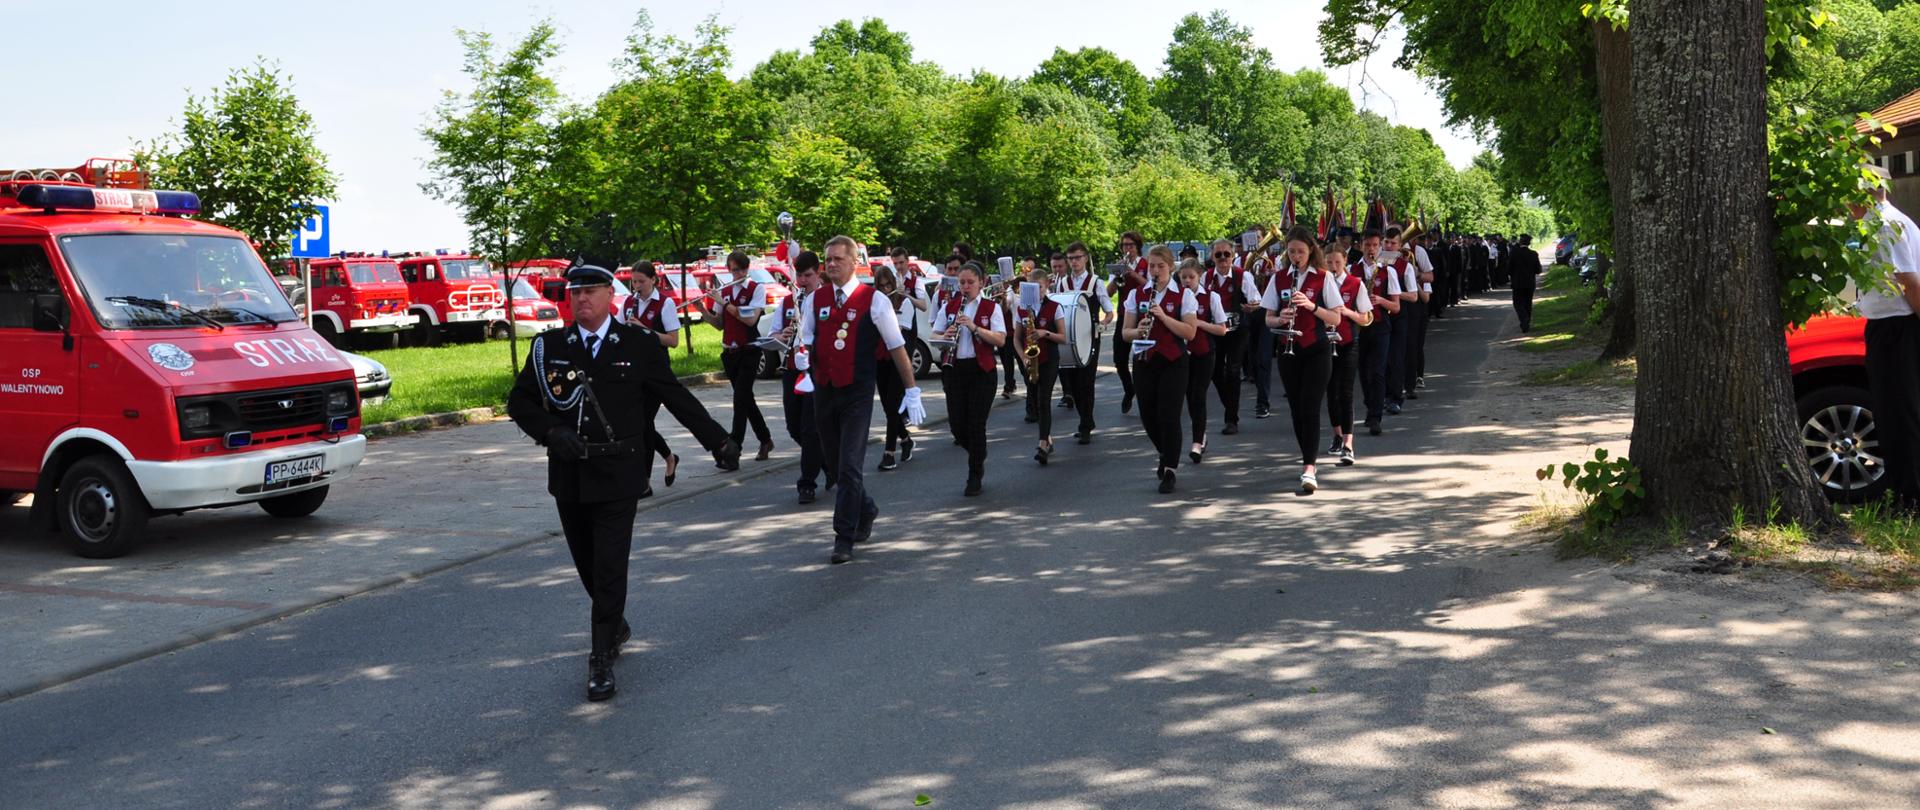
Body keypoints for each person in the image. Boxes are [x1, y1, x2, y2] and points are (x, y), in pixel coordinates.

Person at [507, 265, 669, 702]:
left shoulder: (635, 344)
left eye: (591, 292)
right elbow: (519, 400)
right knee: (588, 566)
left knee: (610, 566)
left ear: (609, 297)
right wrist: (550, 431)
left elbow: (673, 394)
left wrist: (718, 441)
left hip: (619, 475)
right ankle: (615, 623)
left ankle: (600, 658)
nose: (581, 300)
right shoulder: (550, 346)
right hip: (570, 476)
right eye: (574, 292)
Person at [797, 235, 928, 564]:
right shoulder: (816, 299)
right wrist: (802, 358)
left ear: (854, 263)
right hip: (824, 391)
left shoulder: (874, 300)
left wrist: (911, 390)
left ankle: (844, 536)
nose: (831, 264)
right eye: (828, 259)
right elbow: (808, 337)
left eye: (838, 259)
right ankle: (867, 509)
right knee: (837, 466)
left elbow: (897, 347)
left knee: (851, 465)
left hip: (857, 391)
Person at [615, 262, 743, 475]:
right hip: (636, 370)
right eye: (633, 282)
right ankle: (647, 476)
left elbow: (672, 341)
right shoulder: (629, 303)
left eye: (641, 282)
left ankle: (723, 445)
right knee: (640, 422)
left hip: (657, 367)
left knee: (684, 408)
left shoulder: (664, 304)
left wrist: (644, 331)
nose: (637, 286)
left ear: (653, 280)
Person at [1265, 231, 1344, 494]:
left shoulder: (1324, 277)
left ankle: (1309, 467)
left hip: (1317, 349)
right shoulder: (1279, 278)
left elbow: (1336, 319)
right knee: (1297, 409)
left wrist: (1311, 306)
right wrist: (1280, 318)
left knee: (1310, 406)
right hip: (1289, 349)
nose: (1296, 257)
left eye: (1300, 251)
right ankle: (1306, 457)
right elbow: (1268, 318)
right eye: (1291, 252)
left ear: (1310, 251)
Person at [1121, 245, 1199, 493]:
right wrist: (1139, 330)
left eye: (1160, 266)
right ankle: (1165, 452)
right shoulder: (1137, 294)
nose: (1155, 271)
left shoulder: (1184, 295)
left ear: (1170, 267)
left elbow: (1190, 332)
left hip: (1174, 361)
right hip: (1145, 360)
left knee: (1169, 414)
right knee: (1148, 415)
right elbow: (1125, 333)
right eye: (1151, 266)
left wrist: (1164, 318)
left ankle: (1170, 470)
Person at [932, 262, 1009, 495]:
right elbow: (934, 336)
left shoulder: (990, 307)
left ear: (981, 283)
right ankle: (978, 451)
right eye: (962, 283)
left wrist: (975, 327)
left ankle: (974, 474)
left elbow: (1000, 340)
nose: (965, 287)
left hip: (981, 371)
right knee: (957, 426)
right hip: (955, 370)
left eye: (970, 283)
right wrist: (944, 335)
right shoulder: (949, 307)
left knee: (976, 424)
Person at [697, 251, 774, 463]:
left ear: (747, 269)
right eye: (733, 270)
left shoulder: (756, 289)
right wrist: (702, 310)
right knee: (745, 399)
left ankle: (733, 449)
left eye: (740, 269)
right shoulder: (726, 290)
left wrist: (724, 302)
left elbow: (750, 320)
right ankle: (765, 439)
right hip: (729, 353)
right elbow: (719, 324)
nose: (736, 273)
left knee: (740, 400)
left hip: (749, 350)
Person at [768, 252, 828, 503]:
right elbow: (772, 336)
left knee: (809, 428)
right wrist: (781, 336)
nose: (803, 281)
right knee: (794, 428)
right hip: (792, 370)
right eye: (799, 276)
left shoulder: (826, 301)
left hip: (815, 371)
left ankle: (807, 483)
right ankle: (828, 464)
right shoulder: (787, 303)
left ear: (818, 273)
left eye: (808, 276)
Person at [1321, 247, 1371, 465]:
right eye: (1329, 263)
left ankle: (1349, 444)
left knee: (1346, 392)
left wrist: (1347, 312)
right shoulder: (1319, 282)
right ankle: (1338, 434)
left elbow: (1366, 317)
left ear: (1345, 262)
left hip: (1348, 342)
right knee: (1331, 393)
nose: (1333, 267)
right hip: (1324, 343)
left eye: (1337, 263)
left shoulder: (1355, 283)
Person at [1058, 242, 1109, 442]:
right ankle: (1085, 419)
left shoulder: (1095, 282)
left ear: (1085, 258)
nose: (1074, 262)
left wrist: (1103, 323)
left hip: (1090, 338)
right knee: (1072, 383)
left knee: (1086, 382)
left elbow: (1109, 310)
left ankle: (1085, 424)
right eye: (1070, 259)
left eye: (1078, 258)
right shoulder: (1062, 283)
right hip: (1069, 340)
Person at [1180, 259, 1230, 463]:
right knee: (1189, 397)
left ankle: (1197, 442)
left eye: (1191, 277)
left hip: (1204, 353)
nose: (1187, 281)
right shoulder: (1177, 297)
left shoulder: (1211, 297)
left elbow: (1222, 329)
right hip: (1182, 355)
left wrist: (1198, 323)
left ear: (1200, 276)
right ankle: (1201, 435)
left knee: (1199, 395)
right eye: (1183, 277)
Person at [1018, 263, 1068, 464]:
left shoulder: (1055, 308)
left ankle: (1042, 443)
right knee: (1035, 401)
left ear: (1046, 286)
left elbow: (1063, 338)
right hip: (1030, 359)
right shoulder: (1021, 308)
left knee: (1044, 399)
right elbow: (1016, 338)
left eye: (1039, 287)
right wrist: (1022, 356)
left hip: (1049, 358)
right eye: (1031, 287)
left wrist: (1044, 333)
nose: (1035, 291)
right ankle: (1047, 438)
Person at [1206, 238, 1256, 435]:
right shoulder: (1206, 277)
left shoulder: (1243, 275)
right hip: (1215, 328)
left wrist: (1251, 306)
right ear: (1212, 257)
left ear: (1233, 255)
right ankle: (1229, 404)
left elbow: (1255, 299)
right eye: (1218, 255)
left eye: (1226, 254)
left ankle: (1231, 419)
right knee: (1215, 371)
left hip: (1237, 329)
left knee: (1233, 370)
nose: (1223, 258)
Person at [871, 263, 917, 471]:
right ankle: (906, 439)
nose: (886, 290)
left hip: (899, 357)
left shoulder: (904, 302)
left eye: (888, 285)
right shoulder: (874, 302)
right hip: (880, 356)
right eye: (881, 287)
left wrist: (887, 313)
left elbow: (901, 330)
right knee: (887, 405)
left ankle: (889, 452)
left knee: (893, 404)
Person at [1355, 229, 1402, 436]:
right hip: (1358, 325)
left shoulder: (1387, 271)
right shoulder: (1351, 270)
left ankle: (1375, 417)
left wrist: (1381, 301)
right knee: (1364, 372)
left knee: (1378, 372)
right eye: (1368, 245)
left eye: (1375, 245)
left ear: (1380, 247)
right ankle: (1370, 404)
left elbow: (1396, 307)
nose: (1371, 249)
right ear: (1361, 246)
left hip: (1381, 326)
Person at [1107, 231, 1149, 414]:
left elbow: (1149, 286)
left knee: (1143, 358)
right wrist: (1117, 276)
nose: (1127, 249)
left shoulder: (1146, 264)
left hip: (1145, 314)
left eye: (1130, 245)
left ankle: (1144, 394)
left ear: (1137, 246)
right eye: (1124, 245)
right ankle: (1128, 389)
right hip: (1125, 314)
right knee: (1119, 359)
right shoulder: (1119, 265)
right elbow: (1108, 293)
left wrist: (1131, 273)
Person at [1510, 234, 1542, 332]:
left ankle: (1524, 319)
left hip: (1517, 283)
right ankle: (1526, 322)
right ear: (1529, 243)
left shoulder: (1514, 253)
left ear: (1520, 242)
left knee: (1517, 303)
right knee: (1528, 303)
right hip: (1529, 283)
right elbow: (1538, 270)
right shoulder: (1533, 254)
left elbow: (1509, 268)